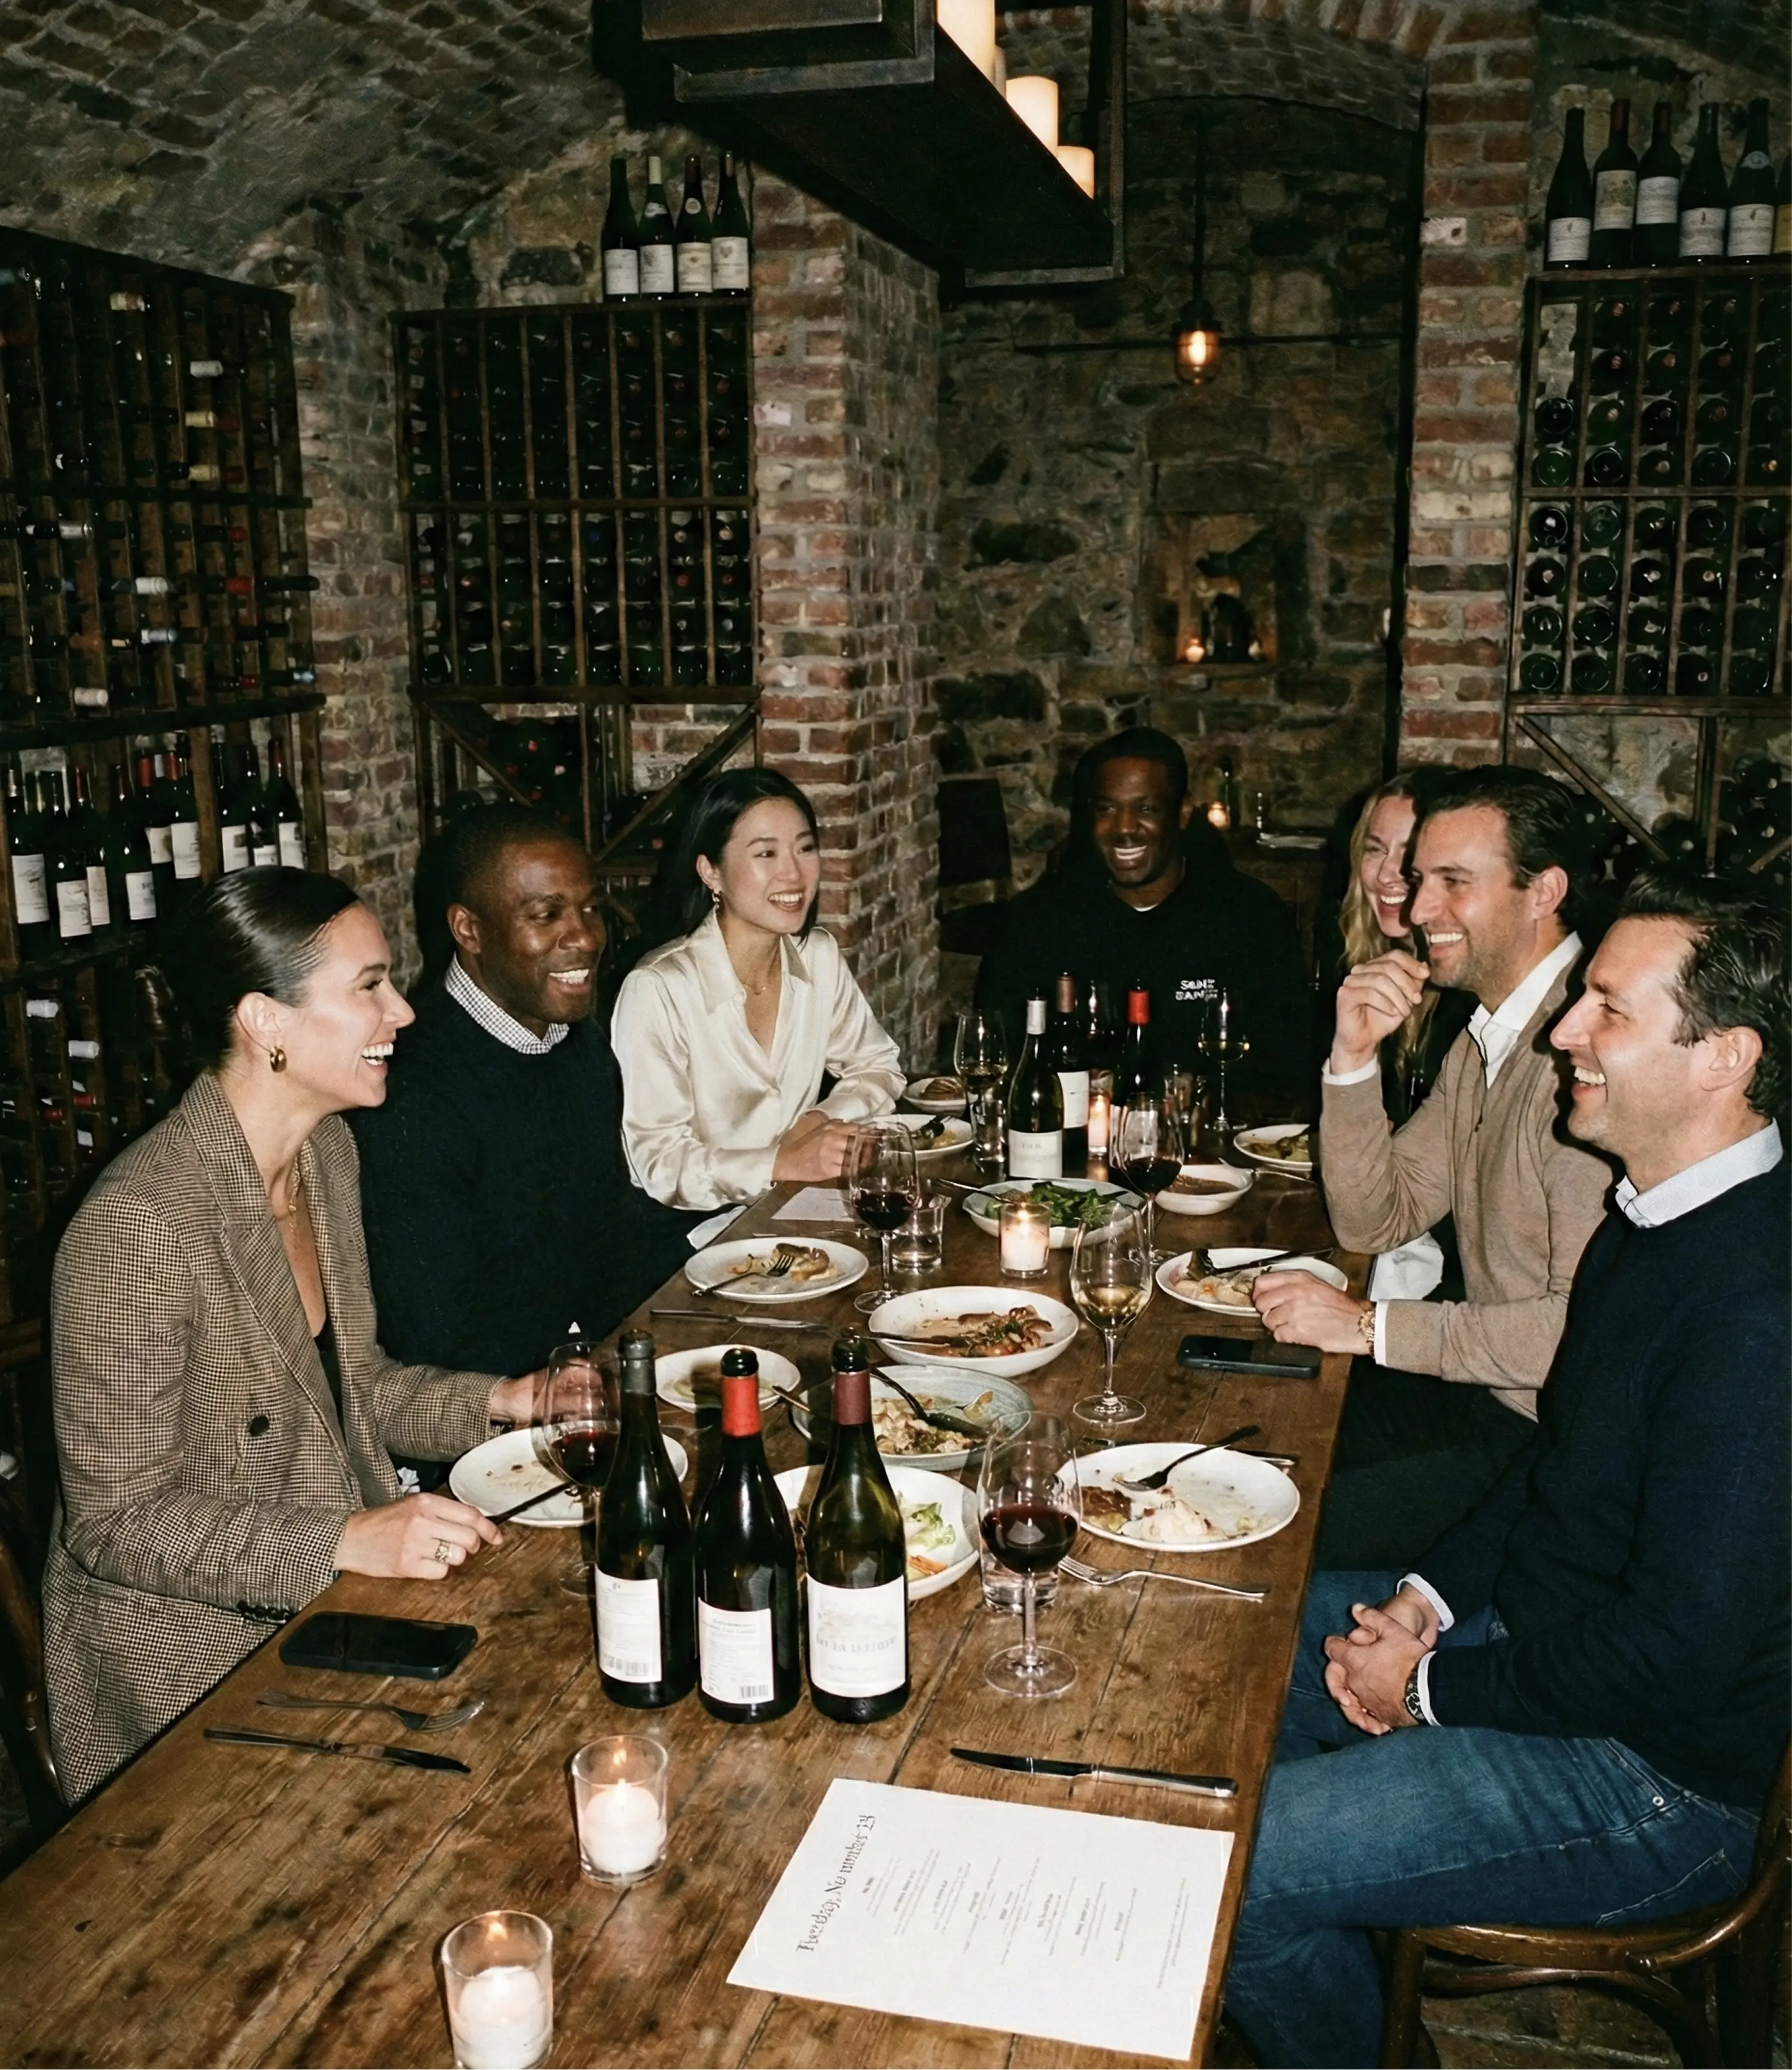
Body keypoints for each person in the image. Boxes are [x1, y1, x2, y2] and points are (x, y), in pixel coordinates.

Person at [1224, 874, 1790, 2070]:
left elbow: (1681, 1648)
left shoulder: (1756, 1307)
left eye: (1607, 1009)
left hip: (1658, 1780)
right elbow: (1558, 1465)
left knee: (1237, 1874)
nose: (1563, 1030)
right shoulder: (1652, 1217)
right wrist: (1423, 1603)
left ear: (1724, 1057)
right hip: (1540, 1651)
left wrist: (1428, 1689)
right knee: (1221, 1640)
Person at [42, 872, 536, 1803]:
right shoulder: (139, 1225)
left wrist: (510, 1400)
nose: (402, 1011)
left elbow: (356, 1387)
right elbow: (117, 1522)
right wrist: (346, 1538)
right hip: (192, 1674)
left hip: (331, 1611)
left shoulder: (324, 1153)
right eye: (370, 986)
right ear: (266, 1021)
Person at [1254, 766, 1614, 1565]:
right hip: (1479, 1393)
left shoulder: (1583, 1059)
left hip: (1548, 1441)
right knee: (1249, 1438)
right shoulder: (1489, 1035)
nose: (1417, 911)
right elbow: (1374, 1218)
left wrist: (1364, 1324)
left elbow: (1578, 1335)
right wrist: (1352, 1057)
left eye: (1454, 881)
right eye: (1420, 881)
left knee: (1265, 1524)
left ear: (1544, 890)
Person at [352, 804, 693, 1391]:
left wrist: (719, 1260)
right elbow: (436, 1336)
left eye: (590, 907)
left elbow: (605, 1234)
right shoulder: (412, 1091)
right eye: (546, 914)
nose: (586, 936)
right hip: (499, 1409)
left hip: (592, 1366)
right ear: (469, 930)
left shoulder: (577, 1043)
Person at [612, 767, 906, 1210]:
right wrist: (779, 1162)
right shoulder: (657, 989)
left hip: (800, 1207)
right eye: (766, 853)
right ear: (711, 872)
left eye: (805, 848)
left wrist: (818, 1120)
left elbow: (879, 1066)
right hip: (693, 1231)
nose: (794, 873)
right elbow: (658, 1163)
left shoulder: (818, 956)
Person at [975, 728, 1311, 1106]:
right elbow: (1000, 1053)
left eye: (1146, 809)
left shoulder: (1249, 917)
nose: (1124, 828)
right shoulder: (1040, 920)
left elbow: (1288, 1060)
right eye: (1107, 809)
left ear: (1183, 813)